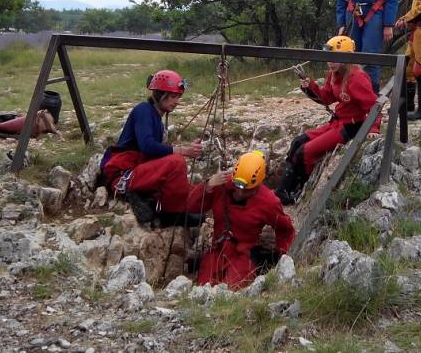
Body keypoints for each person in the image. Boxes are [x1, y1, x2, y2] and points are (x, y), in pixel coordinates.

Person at [275, 36, 378, 205]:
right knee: (297, 143)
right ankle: (283, 190)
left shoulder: (357, 78)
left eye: (335, 59)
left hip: (351, 126)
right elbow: (327, 97)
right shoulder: (334, 75)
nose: (330, 62)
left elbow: (374, 106)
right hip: (336, 122)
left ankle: (299, 187)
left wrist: (373, 128)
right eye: (329, 59)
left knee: (305, 152)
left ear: (346, 58)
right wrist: (310, 88)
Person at [100, 69, 206, 227]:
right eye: (173, 96)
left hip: (138, 169)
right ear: (160, 95)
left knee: (192, 189)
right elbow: (147, 146)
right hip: (123, 175)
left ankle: (157, 203)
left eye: (178, 97)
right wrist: (182, 150)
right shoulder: (143, 110)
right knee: (176, 162)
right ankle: (171, 214)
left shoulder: (155, 117)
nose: (177, 101)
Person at [189, 151, 295, 290]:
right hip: (217, 250)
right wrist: (208, 185)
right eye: (237, 187)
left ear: (258, 185)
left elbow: (285, 229)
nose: (240, 193)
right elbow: (191, 205)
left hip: (243, 255)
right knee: (202, 289)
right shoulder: (221, 184)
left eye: (246, 190)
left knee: (232, 289)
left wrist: (283, 257)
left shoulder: (268, 202)